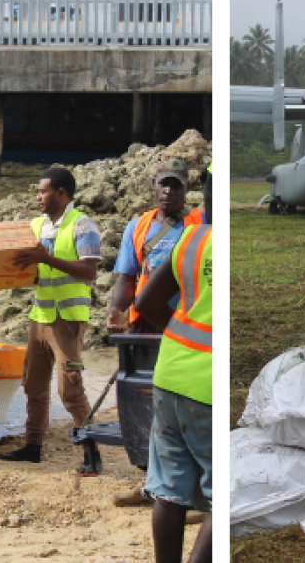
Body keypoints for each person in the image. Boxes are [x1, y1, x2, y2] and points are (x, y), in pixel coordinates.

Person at [0, 166, 102, 464]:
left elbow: (90, 271)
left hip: (68, 319)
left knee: (69, 389)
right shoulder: (36, 226)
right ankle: (32, 448)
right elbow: (29, 268)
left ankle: (91, 451)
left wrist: (48, 259)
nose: (37, 196)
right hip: (39, 316)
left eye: (42, 191)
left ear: (61, 193)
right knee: (33, 386)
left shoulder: (82, 225)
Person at [133, 169, 212, 563]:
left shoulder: (193, 239)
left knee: (168, 488)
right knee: (221, 494)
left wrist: (179, 333)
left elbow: (145, 302)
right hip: (208, 384)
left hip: (171, 371)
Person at [108, 161, 203, 333]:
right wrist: (116, 311)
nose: (169, 191)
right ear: (154, 183)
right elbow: (126, 279)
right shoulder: (137, 227)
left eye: (176, 186)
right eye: (164, 184)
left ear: (187, 187)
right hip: (146, 319)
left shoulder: (202, 223)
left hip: (189, 320)